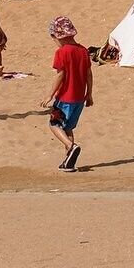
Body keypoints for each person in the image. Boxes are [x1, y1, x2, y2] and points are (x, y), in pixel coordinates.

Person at [44, 15, 93, 171]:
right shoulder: (83, 50)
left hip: (66, 97)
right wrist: (89, 94)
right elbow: (89, 74)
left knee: (54, 124)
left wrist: (50, 95)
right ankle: (69, 161)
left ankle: (70, 146)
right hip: (79, 98)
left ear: (59, 36)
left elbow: (61, 75)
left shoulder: (62, 52)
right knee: (68, 128)